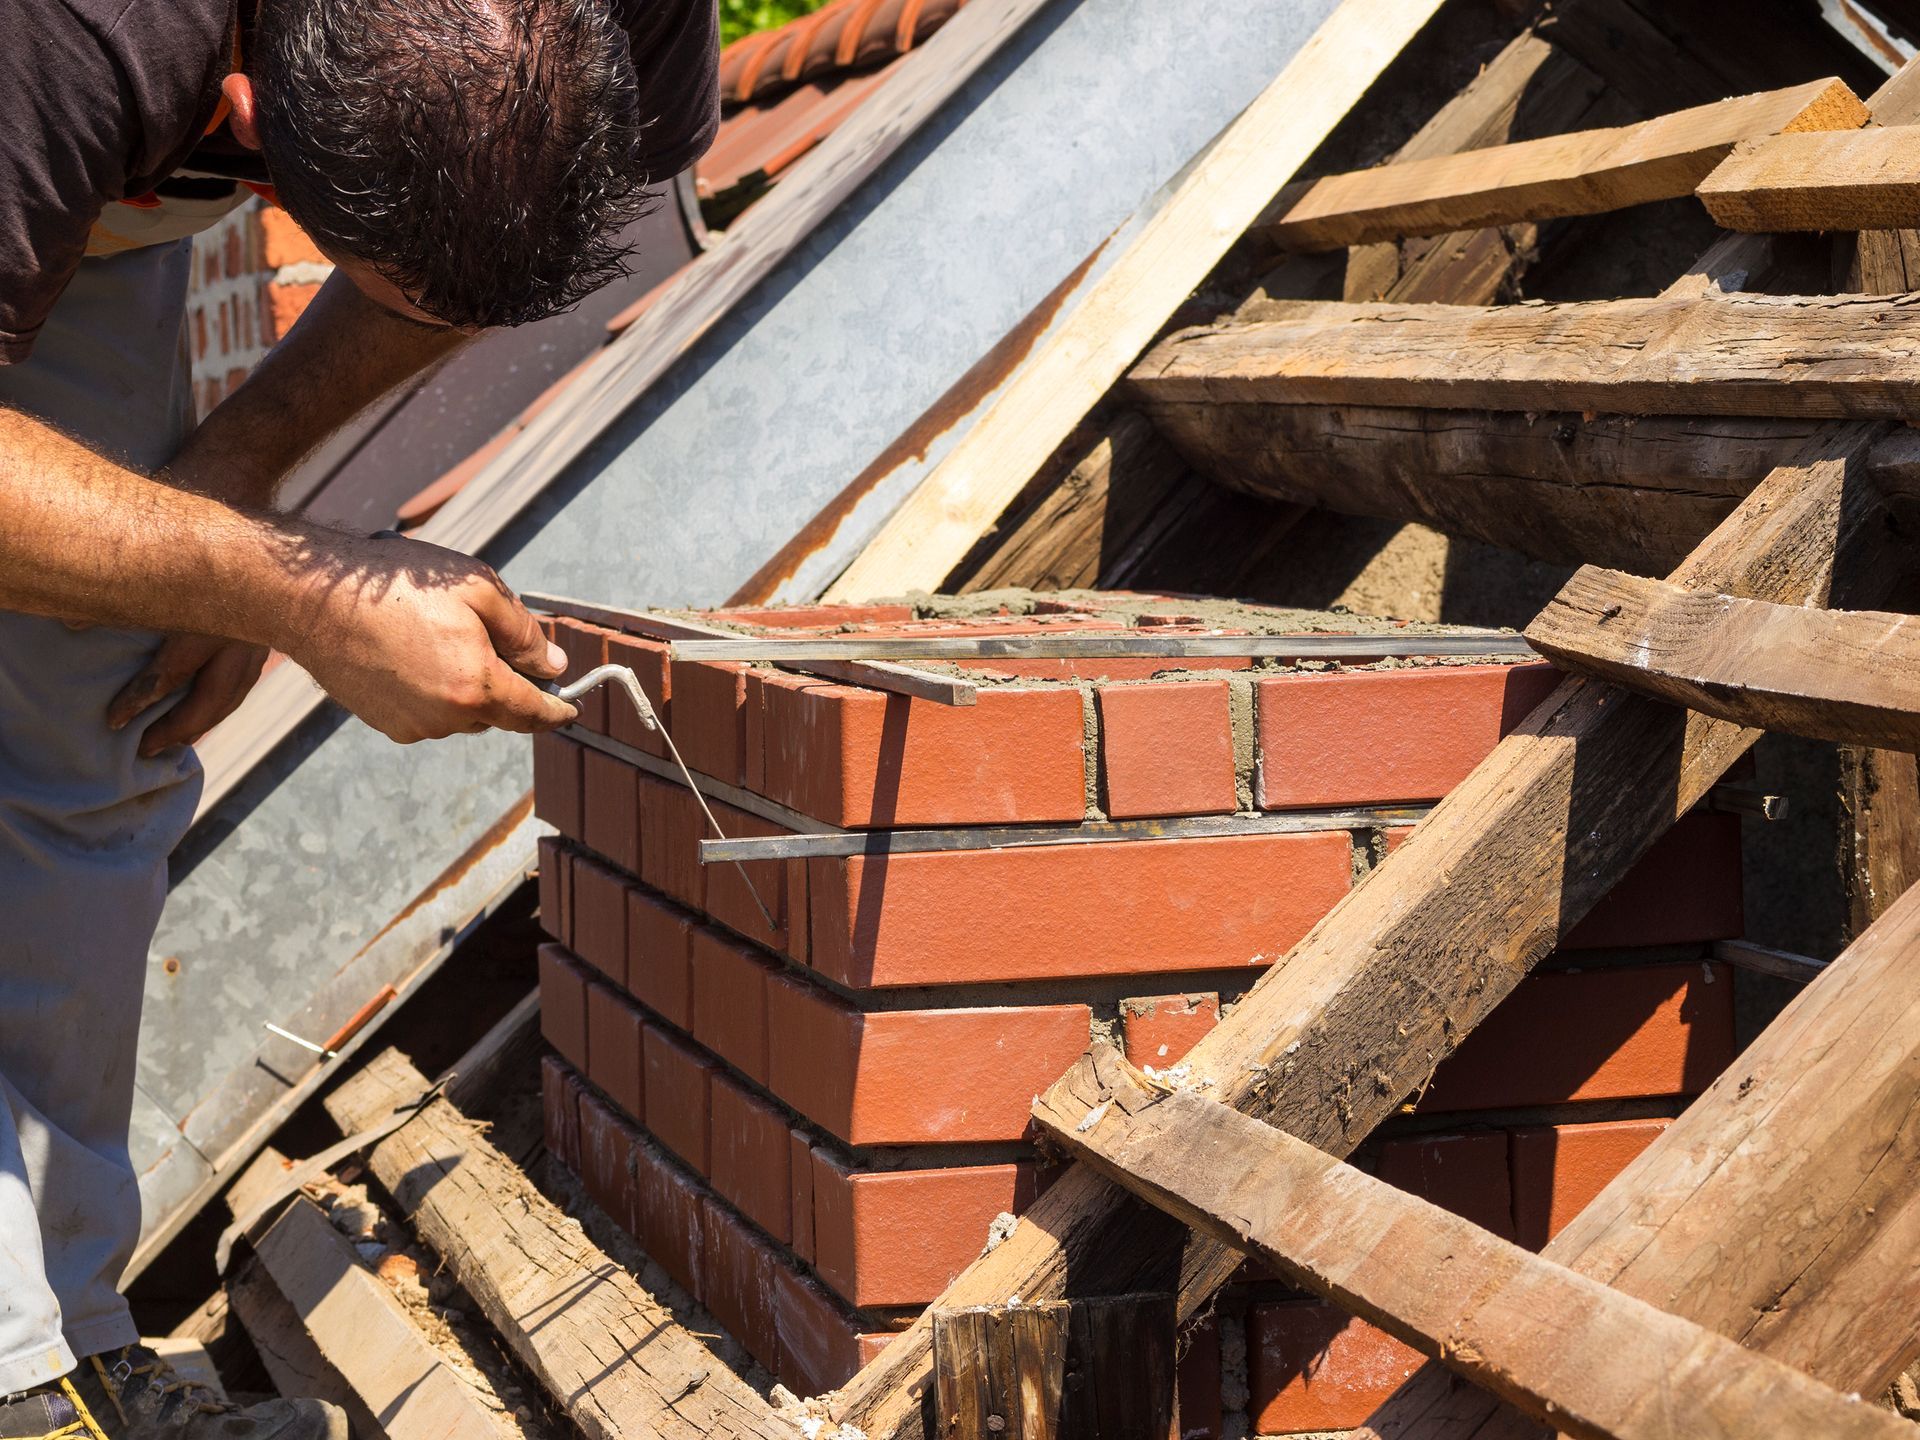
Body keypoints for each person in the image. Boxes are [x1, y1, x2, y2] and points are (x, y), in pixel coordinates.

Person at [0, 0, 718, 1430]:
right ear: (251, 116)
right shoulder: (75, 38)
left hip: (95, 180)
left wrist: (232, 497)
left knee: (101, 716)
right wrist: (302, 597)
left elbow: (485, 264)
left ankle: (48, 1344)